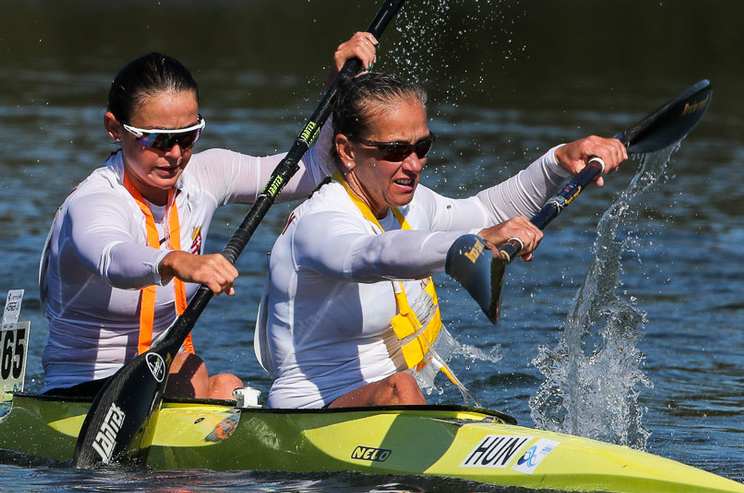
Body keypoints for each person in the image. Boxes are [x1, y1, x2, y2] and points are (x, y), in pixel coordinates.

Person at [255, 71, 628, 409]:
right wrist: (469, 242)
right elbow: (374, 254)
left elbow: (487, 209)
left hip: (392, 406)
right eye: (395, 151)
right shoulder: (318, 224)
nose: (414, 164)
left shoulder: (409, 205)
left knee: (402, 388)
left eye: (423, 147)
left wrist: (558, 162)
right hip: (309, 415)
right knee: (401, 386)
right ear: (347, 151)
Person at [39, 33, 379, 400]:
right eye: (157, 139)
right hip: (81, 393)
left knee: (228, 386)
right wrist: (177, 261)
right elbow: (111, 258)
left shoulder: (205, 175)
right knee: (193, 370)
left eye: (188, 137)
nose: (175, 154)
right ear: (114, 128)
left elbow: (312, 167)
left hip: (159, 379)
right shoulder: (95, 201)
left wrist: (340, 84)